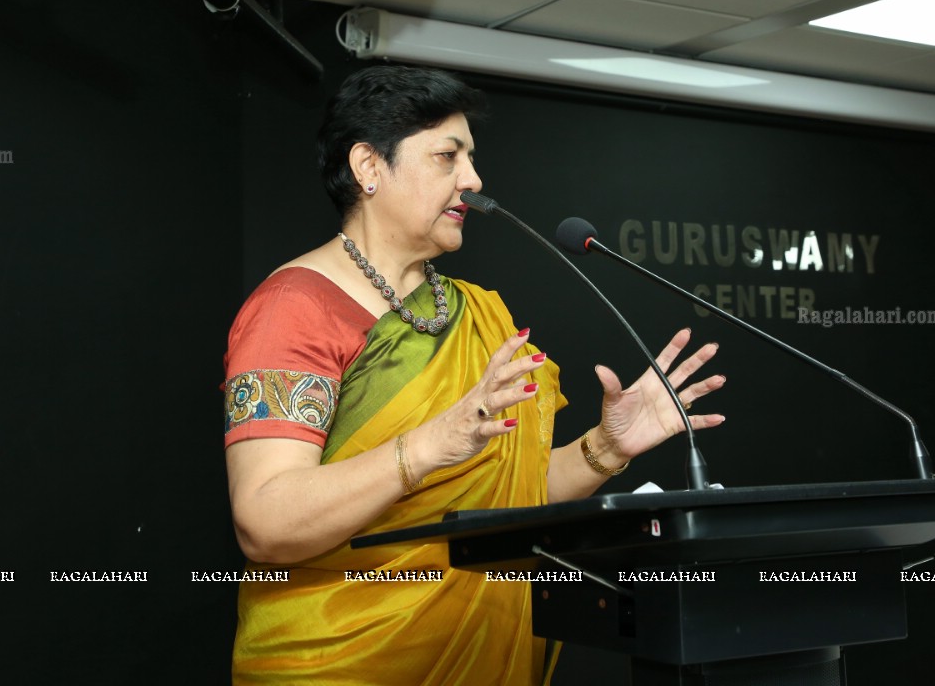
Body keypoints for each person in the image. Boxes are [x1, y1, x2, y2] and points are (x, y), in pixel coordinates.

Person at [221, 65, 726, 685]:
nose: (474, 180)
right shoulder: (296, 309)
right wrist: (434, 441)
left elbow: (506, 499)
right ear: (368, 167)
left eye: (472, 157)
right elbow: (265, 522)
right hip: (342, 662)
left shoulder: (478, 312)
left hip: (481, 654)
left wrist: (604, 449)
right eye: (446, 156)